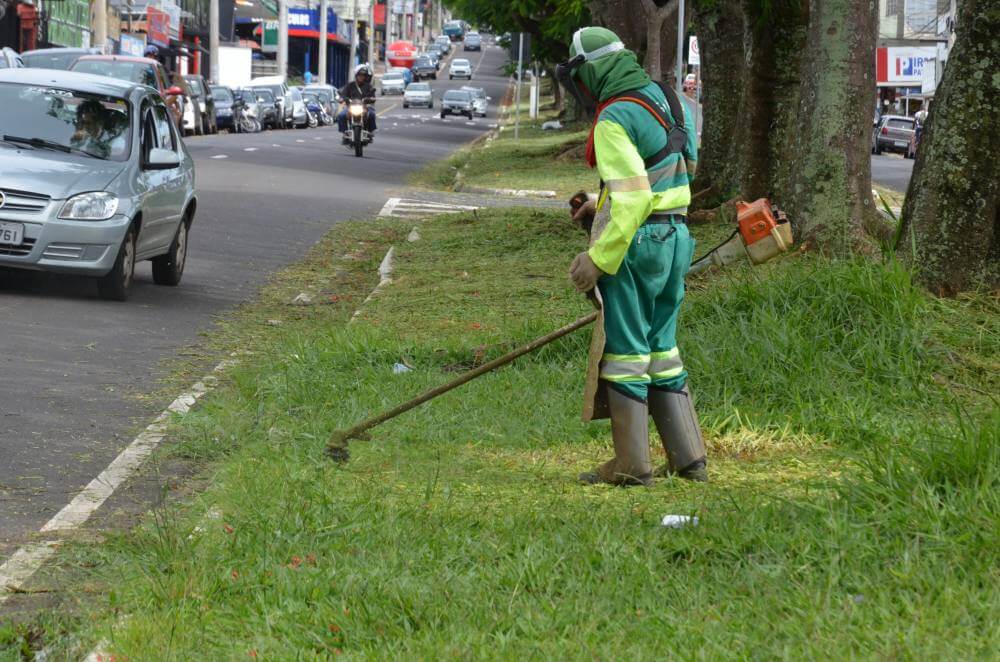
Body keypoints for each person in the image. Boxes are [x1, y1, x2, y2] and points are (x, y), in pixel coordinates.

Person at [557, 26, 707, 486]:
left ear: (591, 74)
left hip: (637, 246)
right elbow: (679, 168)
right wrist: (596, 206)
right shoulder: (669, 99)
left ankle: (631, 465)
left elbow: (636, 197)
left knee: (625, 353)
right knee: (664, 350)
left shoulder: (613, 119)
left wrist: (598, 258)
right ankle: (689, 459)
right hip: (677, 239)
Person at [337, 64, 377, 139]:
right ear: (356, 75)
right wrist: (341, 99)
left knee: (371, 114)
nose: (361, 77)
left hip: (365, 107)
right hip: (351, 107)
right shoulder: (350, 85)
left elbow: (373, 96)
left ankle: (370, 132)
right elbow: (343, 94)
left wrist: (372, 99)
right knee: (341, 115)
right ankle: (345, 132)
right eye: (360, 75)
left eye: (363, 75)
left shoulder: (368, 86)